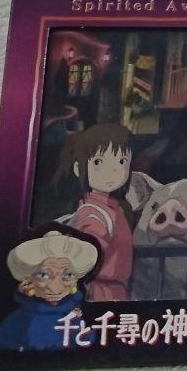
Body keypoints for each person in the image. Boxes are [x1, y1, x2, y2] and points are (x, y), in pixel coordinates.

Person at [52, 123, 135, 301]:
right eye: (98, 162)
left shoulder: (112, 208)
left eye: (122, 161)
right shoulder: (92, 213)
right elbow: (90, 253)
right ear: (78, 168)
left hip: (112, 290)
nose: (112, 170)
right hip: (99, 292)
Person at [0, 229, 98, 351]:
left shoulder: (73, 315)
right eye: (44, 275)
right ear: (28, 281)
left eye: (68, 275)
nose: (55, 289)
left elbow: (84, 343)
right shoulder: (19, 321)